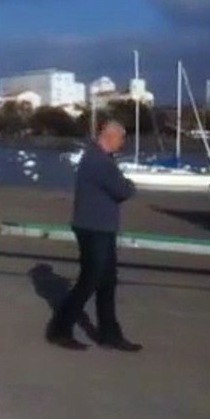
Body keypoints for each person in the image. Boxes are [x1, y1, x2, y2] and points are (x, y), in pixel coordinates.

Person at [46, 119, 142, 352]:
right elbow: (122, 190)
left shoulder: (98, 158)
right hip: (94, 228)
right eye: (121, 137)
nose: (123, 142)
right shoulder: (99, 161)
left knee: (107, 282)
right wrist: (128, 185)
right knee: (89, 281)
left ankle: (110, 334)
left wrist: (124, 185)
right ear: (110, 137)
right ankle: (60, 329)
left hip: (100, 227)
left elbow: (118, 188)